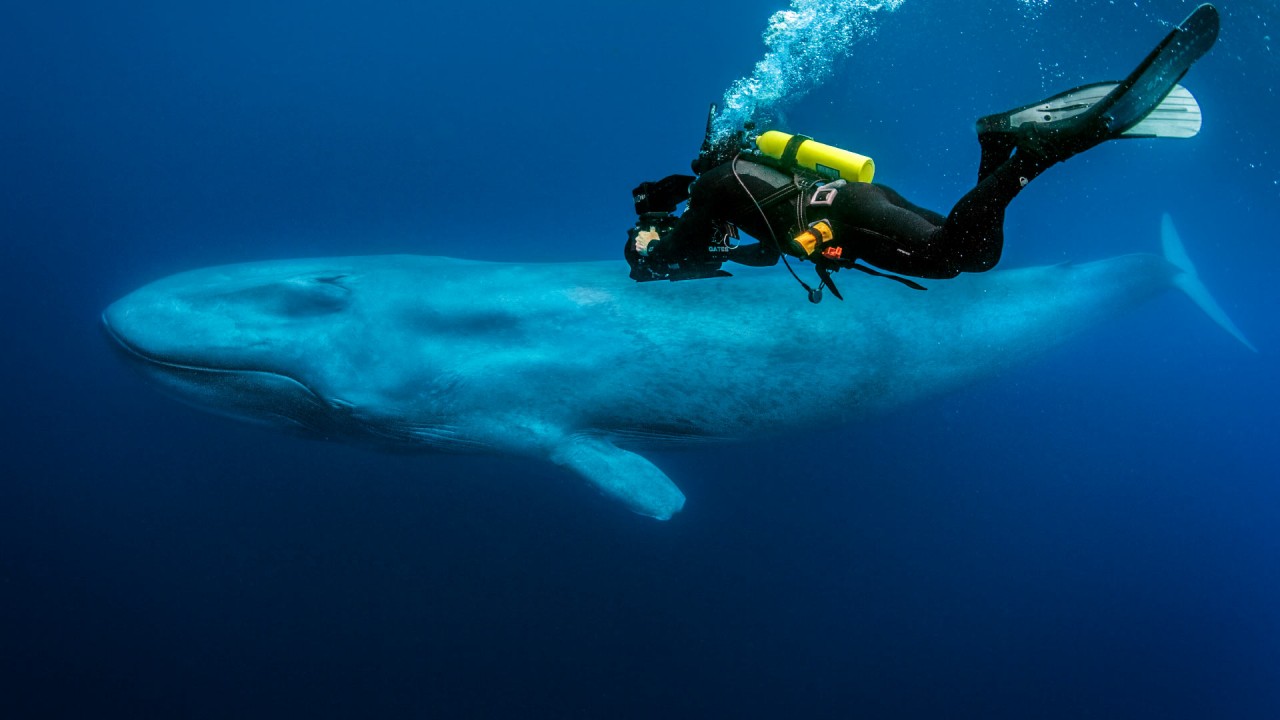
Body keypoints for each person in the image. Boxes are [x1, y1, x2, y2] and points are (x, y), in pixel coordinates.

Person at [625, 4, 1219, 302]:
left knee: (952, 257)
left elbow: (678, 258)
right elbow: (757, 235)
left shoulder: (709, 191)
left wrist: (651, 245)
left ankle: (1036, 154)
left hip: (849, 219)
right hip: (856, 199)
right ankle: (996, 141)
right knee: (975, 254)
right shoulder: (741, 170)